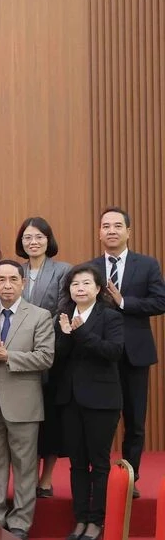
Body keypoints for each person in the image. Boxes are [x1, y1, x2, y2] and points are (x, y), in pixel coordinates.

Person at [85, 207, 165, 497]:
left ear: (128, 231)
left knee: (135, 420)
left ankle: (130, 479)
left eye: (117, 226)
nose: (111, 231)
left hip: (135, 354)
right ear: (99, 232)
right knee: (99, 419)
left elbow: (160, 302)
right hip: (100, 353)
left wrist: (123, 302)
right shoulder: (90, 269)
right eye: (105, 226)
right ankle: (101, 477)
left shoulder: (147, 265)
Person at [0, 260, 55, 540]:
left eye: (13, 279)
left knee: (25, 465)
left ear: (23, 283)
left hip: (24, 402)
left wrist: (8, 356)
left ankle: (21, 521)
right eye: (1, 280)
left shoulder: (39, 315)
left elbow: (46, 357)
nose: (7, 285)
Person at [54, 264, 124, 540]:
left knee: (99, 462)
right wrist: (66, 335)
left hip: (102, 401)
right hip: (70, 400)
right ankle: (80, 517)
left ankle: (97, 520)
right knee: (77, 463)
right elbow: (59, 357)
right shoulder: (63, 317)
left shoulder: (110, 317)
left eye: (85, 283)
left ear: (97, 289)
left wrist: (79, 333)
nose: (79, 288)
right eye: (74, 284)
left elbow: (113, 352)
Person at [15, 217, 71, 498]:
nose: (33, 242)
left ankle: (46, 479)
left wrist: (34, 334)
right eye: (27, 237)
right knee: (24, 418)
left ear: (49, 240)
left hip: (50, 353)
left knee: (49, 417)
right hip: (17, 356)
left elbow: (63, 311)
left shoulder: (63, 271)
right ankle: (27, 477)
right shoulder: (15, 270)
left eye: (38, 236)